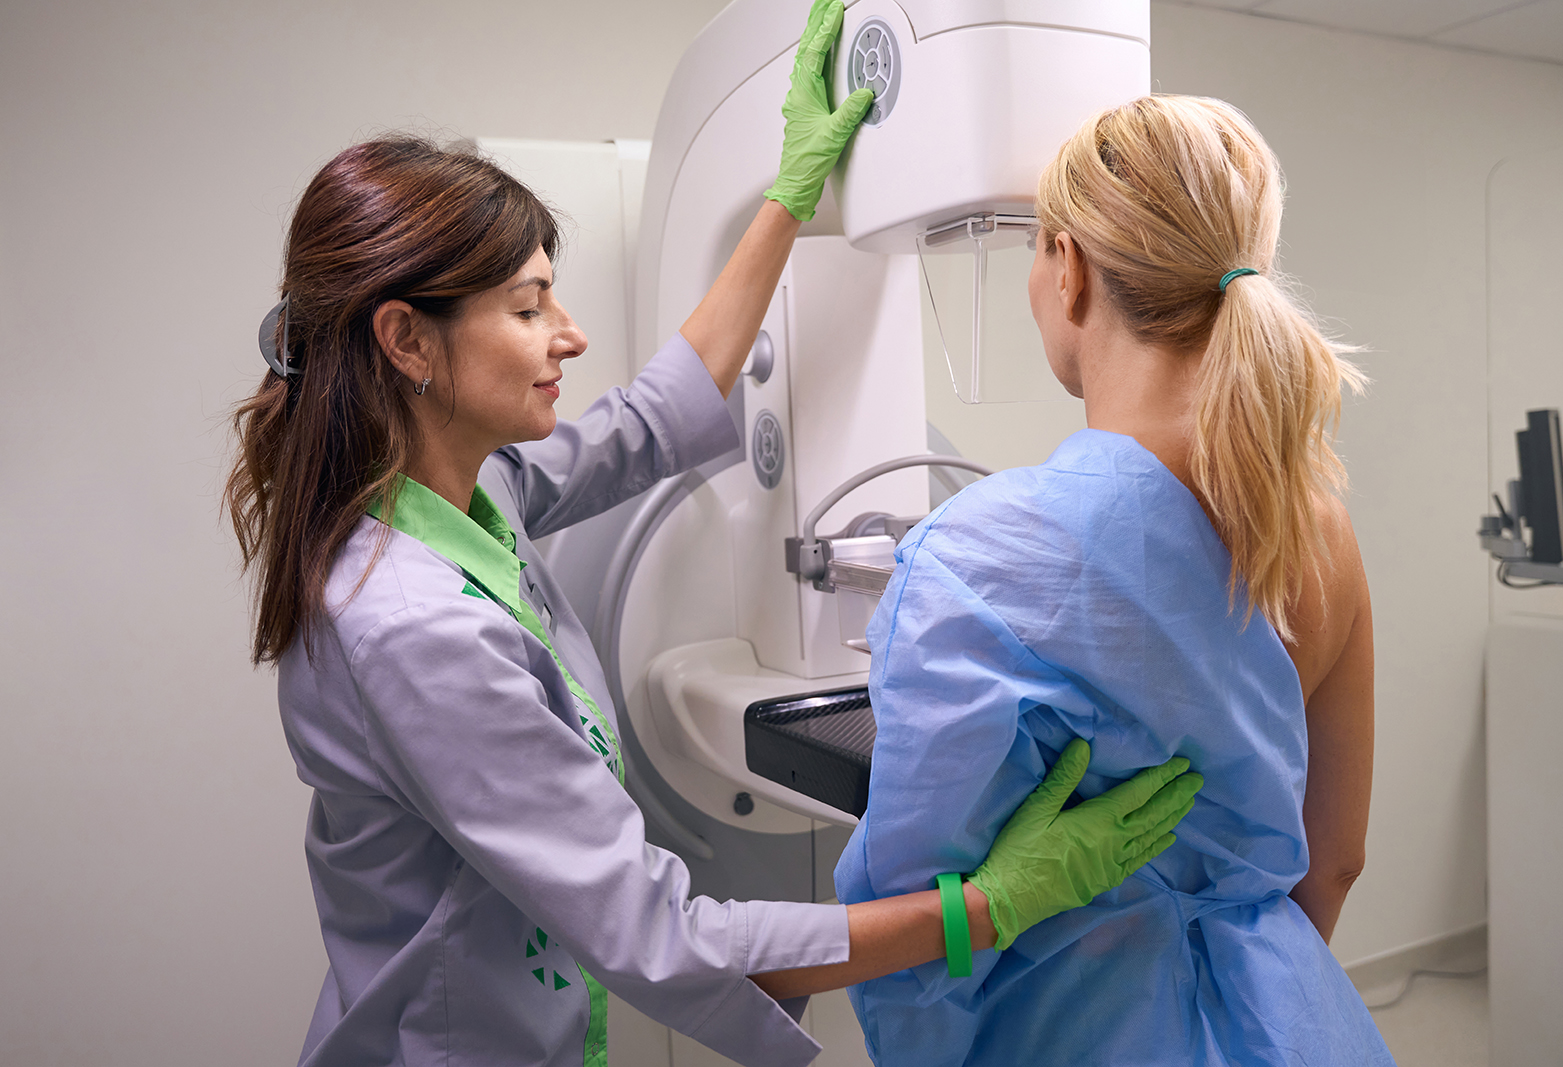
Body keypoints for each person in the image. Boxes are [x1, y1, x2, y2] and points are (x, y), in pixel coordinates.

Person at [224, 5, 1204, 1066]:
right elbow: (665, 936)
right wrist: (986, 906)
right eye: (528, 305)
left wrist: (784, 201)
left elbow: (649, 417)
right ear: (407, 339)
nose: (572, 334)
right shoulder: (412, 627)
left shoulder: (465, 493)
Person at [835, 94, 1392, 1066]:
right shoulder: (1316, 523)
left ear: (1069, 267)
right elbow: (1334, 859)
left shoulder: (975, 553)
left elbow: (915, 920)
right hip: (1295, 1024)